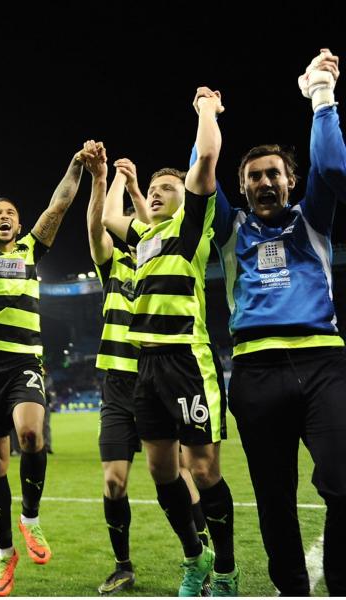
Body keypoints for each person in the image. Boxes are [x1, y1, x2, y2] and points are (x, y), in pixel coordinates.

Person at [218, 49, 346, 596]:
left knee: (343, 481)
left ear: (291, 180)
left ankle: (339, 580)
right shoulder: (229, 231)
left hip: (323, 362)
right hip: (255, 372)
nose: (265, 182)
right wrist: (207, 117)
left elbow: (335, 167)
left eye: (274, 173)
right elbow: (201, 178)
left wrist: (321, 94)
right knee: (274, 499)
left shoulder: (312, 219)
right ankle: (291, 589)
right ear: (242, 187)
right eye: (254, 177)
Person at [102, 89, 235, 596]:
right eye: (153, 190)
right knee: (161, 472)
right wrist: (120, 180)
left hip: (186, 360)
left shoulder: (191, 227)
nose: (156, 194)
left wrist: (205, 109)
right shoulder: (145, 238)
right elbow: (111, 221)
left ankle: (224, 567)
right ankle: (194, 557)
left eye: (165, 188)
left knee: (201, 469)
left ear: (185, 197)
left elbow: (205, 158)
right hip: (146, 367)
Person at [0, 126, 86, 596]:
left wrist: (76, 164)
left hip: (25, 364)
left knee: (31, 434)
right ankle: (4, 554)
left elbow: (59, 205)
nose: (4, 216)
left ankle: (30, 520)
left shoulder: (32, 248)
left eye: (11, 212)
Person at [88, 149, 212, 595]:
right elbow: (101, 225)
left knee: (183, 472)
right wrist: (108, 179)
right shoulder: (114, 266)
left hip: (158, 370)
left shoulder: (161, 253)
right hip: (119, 384)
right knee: (114, 480)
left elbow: (153, 227)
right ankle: (125, 565)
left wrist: (139, 188)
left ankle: (200, 549)